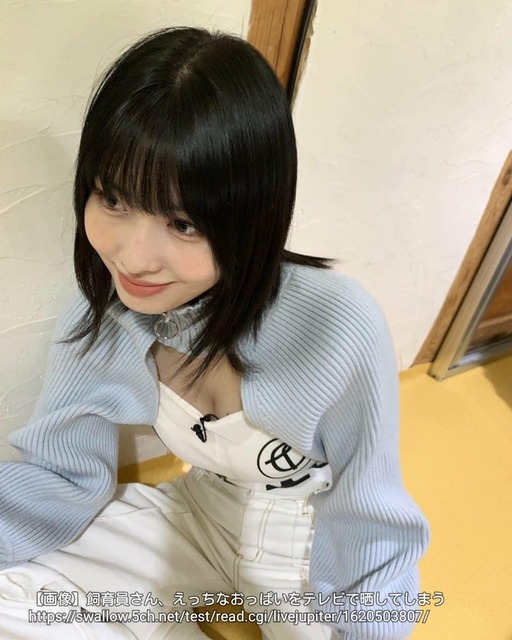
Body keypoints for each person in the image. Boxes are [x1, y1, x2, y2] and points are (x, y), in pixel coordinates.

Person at [0, 27, 430, 640]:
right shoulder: (108, 307)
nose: (132, 257)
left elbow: (369, 514)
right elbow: (60, 474)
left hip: (318, 556)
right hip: (199, 513)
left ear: (252, 215)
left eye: (182, 223)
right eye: (114, 198)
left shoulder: (336, 324)